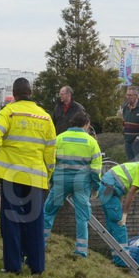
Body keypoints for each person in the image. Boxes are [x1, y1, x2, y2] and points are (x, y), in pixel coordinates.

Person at [0, 77, 56, 275]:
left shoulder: (9, 112)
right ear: (30, 92)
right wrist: (47, 174)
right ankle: (37, 266)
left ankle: (13, 266)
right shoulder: (45, 117)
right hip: (36, 177)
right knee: (35, 222)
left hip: (12, 175)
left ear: (14, 94)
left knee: (12, 220)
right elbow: (50, 152)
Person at [43, 111, 102, 258]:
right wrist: (95, 188)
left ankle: (41, 243)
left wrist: (50, 180)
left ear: (72, 123)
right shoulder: (91, 142)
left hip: (61, 181)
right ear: (86, 124)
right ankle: (81, 250)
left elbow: (50, 162)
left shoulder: (59, 139)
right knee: (82, 217)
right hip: (81, 183)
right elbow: (95, 170)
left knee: (49, 212)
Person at [98, 151, 139, 266]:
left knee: (112, 225)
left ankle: (117, 258)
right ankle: (123, 261)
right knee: (120, 225)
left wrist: (120, 205)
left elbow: (123, 189)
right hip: (109, 189)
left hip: (107, 188)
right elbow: (132, 192)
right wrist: (125, 214)